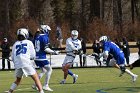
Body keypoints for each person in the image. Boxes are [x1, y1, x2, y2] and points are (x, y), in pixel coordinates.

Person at [7, 28, 44, 93]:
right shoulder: (29, 42)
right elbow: (33, 55)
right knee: (36, 78)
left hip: (18, 64)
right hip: (26, 62)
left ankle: (10, 91)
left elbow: (12, 57)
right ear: (25, 35)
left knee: (18, 80)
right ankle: (41, 91)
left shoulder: (15, 44)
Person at [33, 25, 59, 91]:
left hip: (36, 57)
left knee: (43, 70)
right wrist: (54, 52)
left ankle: (35, 84)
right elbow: (46, 49)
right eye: (48, 30)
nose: (48, 32)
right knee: (49, 70)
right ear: (45, 30)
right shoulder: (44, 37)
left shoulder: (37, 36)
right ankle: (46, 85)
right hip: (42, 57)